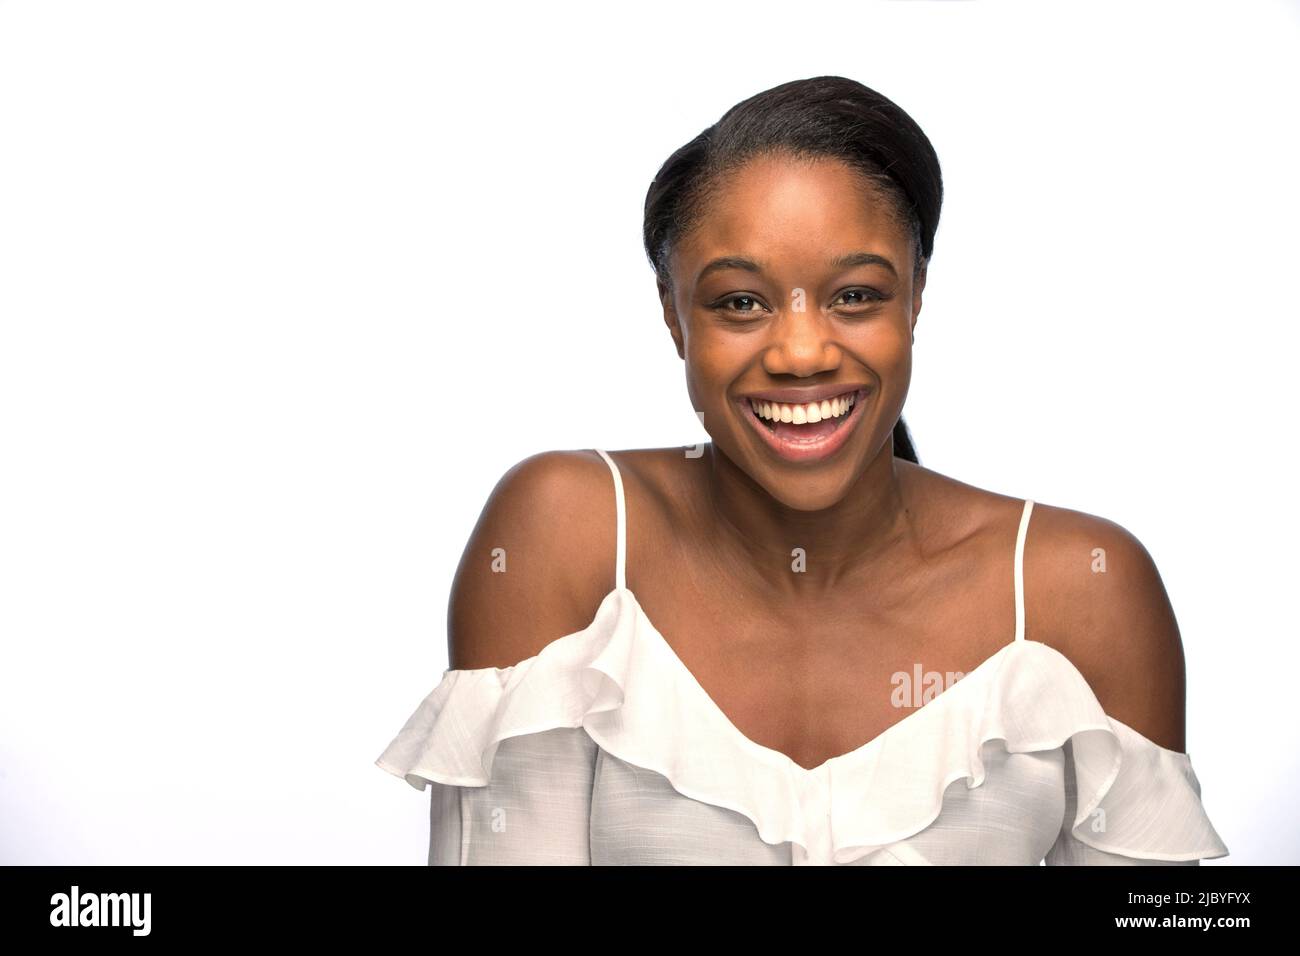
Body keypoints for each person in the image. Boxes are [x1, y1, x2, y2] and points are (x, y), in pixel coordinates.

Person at [376, 75, 1230, 865]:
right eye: (739, 303)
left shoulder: (1081, 590)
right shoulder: (565, 535)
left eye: (855, 294)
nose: (800, 351)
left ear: (917, 297)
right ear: (675, 319)